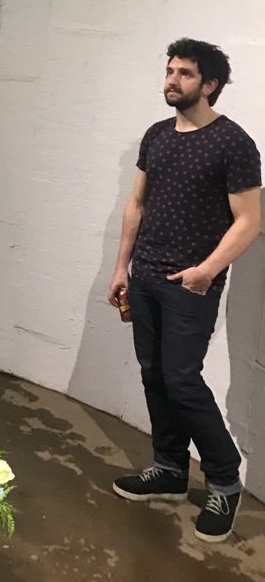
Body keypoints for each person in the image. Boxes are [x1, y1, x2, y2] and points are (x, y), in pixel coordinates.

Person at [108, 38, 261, 543]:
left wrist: (206, 270)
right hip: (146, 275)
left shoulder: (233, 143)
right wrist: (121, 267)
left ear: (210, 84)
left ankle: (223, 479)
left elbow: (248, 221)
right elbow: (136, 204)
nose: (172, 80)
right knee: (154, 373)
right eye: (170, 70)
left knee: (181, 378)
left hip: (191, 284)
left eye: (186, 73)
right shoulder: (157, 135)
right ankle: (170, 469)